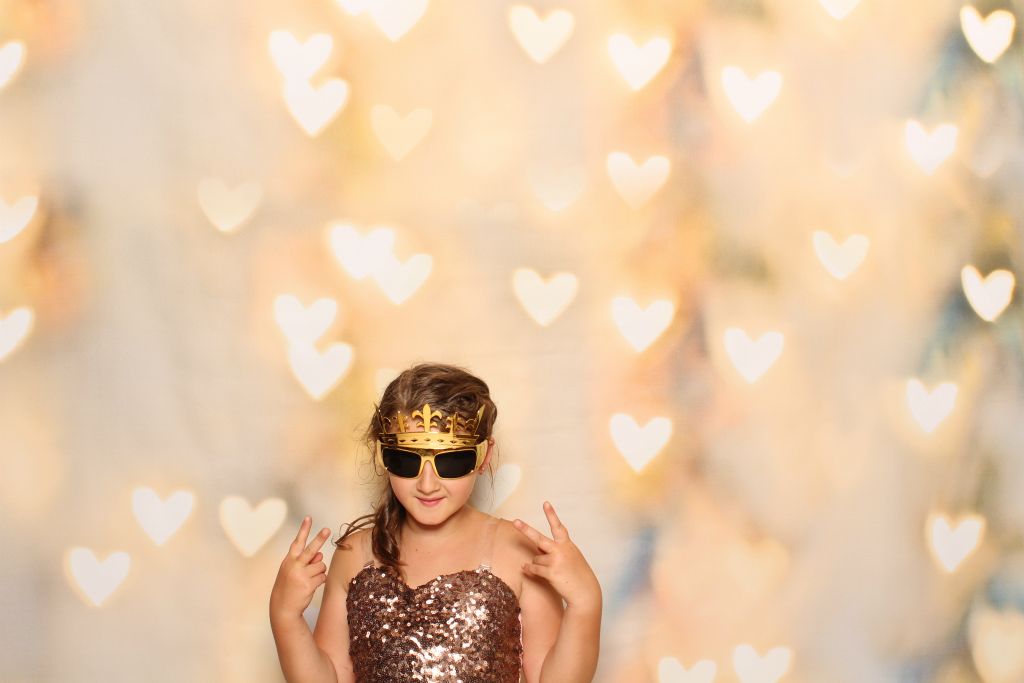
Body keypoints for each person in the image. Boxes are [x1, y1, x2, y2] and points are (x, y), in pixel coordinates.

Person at [269, 362, 602, 682]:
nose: (427, 484)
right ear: (383, 455)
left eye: (451, 461)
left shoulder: (518, 554)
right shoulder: (355, 555)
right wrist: (285, 617)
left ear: (483, 456)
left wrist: (585, 602)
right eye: (405, 460)